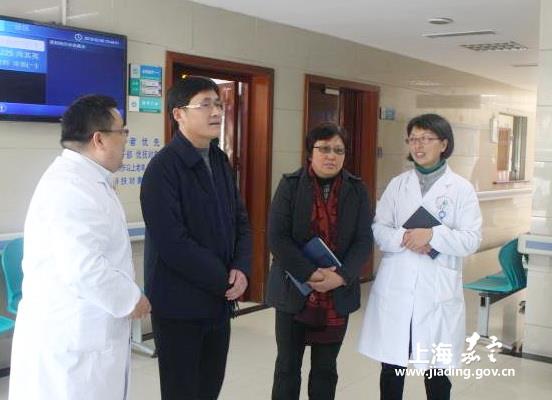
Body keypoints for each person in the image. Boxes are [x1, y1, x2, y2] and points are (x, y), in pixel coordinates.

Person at [9, 95, 151, 400]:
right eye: (122, 132)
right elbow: (84, 267)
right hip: (72, 342)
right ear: (99, 139)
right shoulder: (70, 187)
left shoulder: (88, 180)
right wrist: (131, 299)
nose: (126, 140)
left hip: (85, 334)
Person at [140, 76, 252, 400]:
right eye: (205, 104)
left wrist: (241, 268)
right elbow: (173, 243)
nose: (216, 111)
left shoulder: (219, 160)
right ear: (179, 114)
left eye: (218, 103)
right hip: (179, 306)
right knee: (182, 392)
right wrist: (224, 278)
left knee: (209, 388)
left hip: (218, 302)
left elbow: (240, 221)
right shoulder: (162, 168)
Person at [358, 113, 482, 400]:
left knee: (436, 372)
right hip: (397, 288)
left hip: (436, 291)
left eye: (426, 139)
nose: (418, 145)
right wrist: (405, 237)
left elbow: (471, 239)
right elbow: (379, 228)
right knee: (392, 367)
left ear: (444, 144)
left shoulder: (461, 189)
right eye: (413, 139)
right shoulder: (398, 185)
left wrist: (433, 236)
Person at [266, 123, 373, 400]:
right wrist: (310, 274)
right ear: (310, 152)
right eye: (324, 149)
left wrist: (341, 276)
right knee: (287, 367)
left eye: (338, 150)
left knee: (326, 369)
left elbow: (363, 241)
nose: (331, 156)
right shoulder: (290, 185)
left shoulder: (357, 190)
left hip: (337, 294)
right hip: (294, 289)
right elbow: (277, 237)